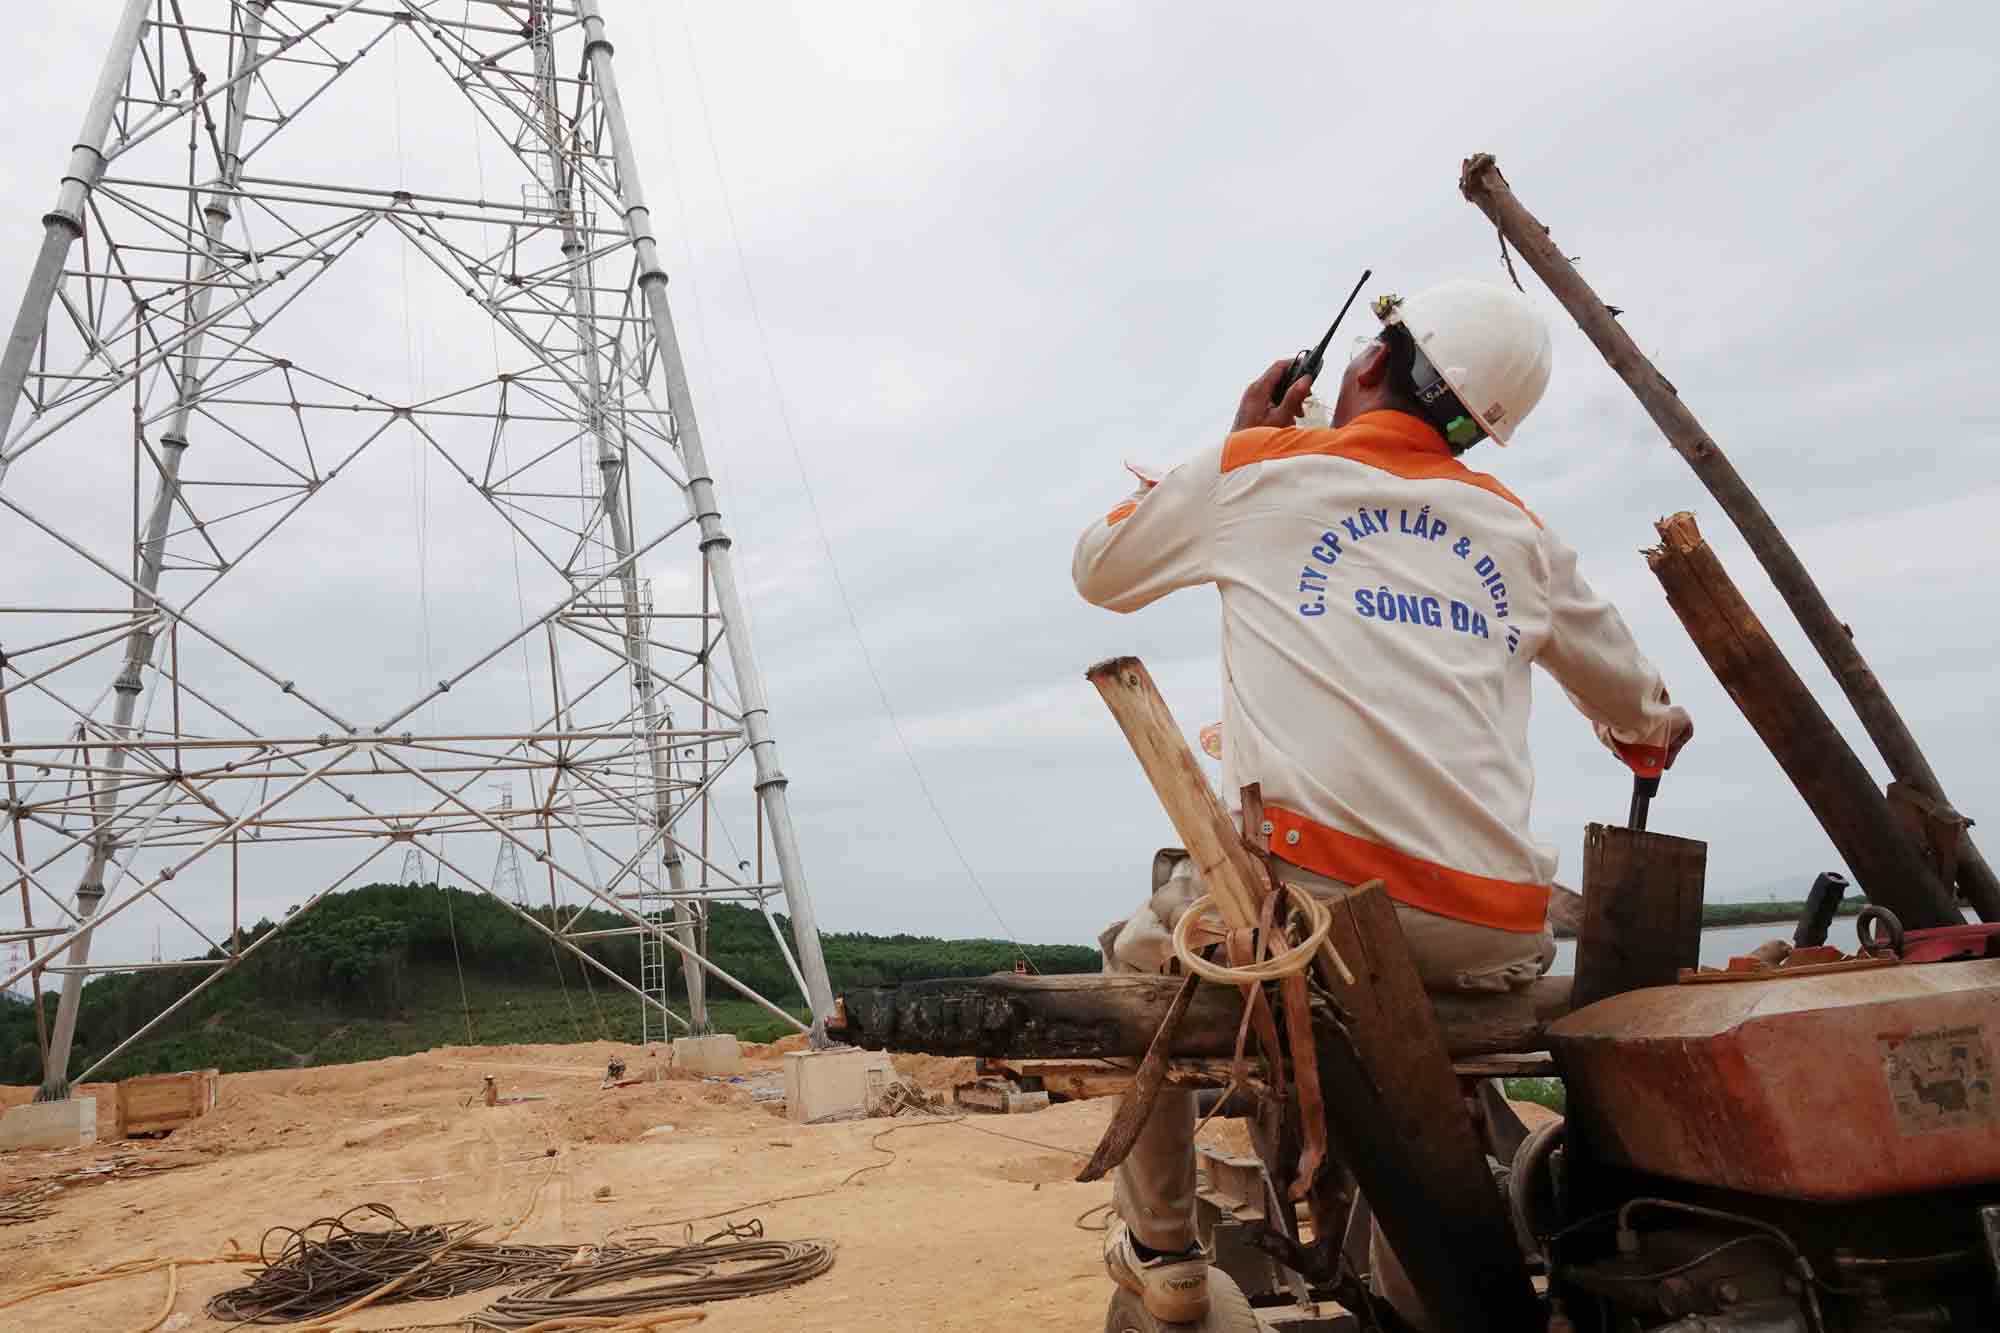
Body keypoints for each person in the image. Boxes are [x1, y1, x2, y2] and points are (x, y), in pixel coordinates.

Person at [1073, 279, 1693, 1327]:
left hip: (1311, 915)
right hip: (1486, 932)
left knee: (1134, 960)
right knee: (1434, 1073)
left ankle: (1164, 1249)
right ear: (1478, 432)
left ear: (1363, 365)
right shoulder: (1518, 532)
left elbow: (1101, 569)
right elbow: (1642, 714)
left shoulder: (1259, 472)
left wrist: (1235, 441)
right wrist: (1646, 733)